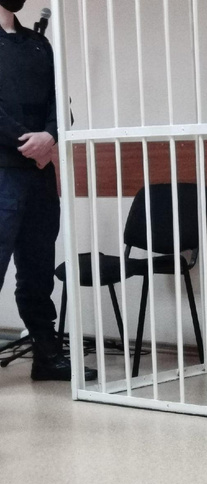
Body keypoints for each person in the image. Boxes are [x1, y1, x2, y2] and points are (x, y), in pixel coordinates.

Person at [0, 0, 96, 381]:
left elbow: (61, 103)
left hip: (39, 176)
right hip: (5, 173)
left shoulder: (38, 44)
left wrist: (51, 136)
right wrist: (32, 143)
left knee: (38, 270)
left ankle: (47, 355)